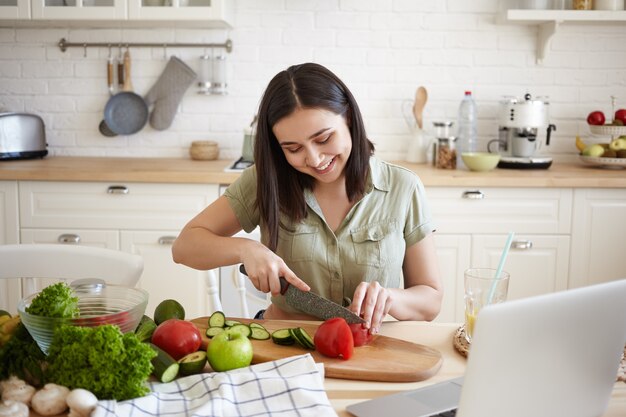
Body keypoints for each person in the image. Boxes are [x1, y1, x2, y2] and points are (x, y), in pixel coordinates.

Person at [172, 63, 442, 334]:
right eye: (293, 148)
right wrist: (247, 248)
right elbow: (184, 247)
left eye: (324, 139)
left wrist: (392, 299)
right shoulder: (265, 181)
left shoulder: (402, 187)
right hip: (284, 345)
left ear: (348, 117)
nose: (314, 159)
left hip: (370, 349)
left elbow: (431, 300)